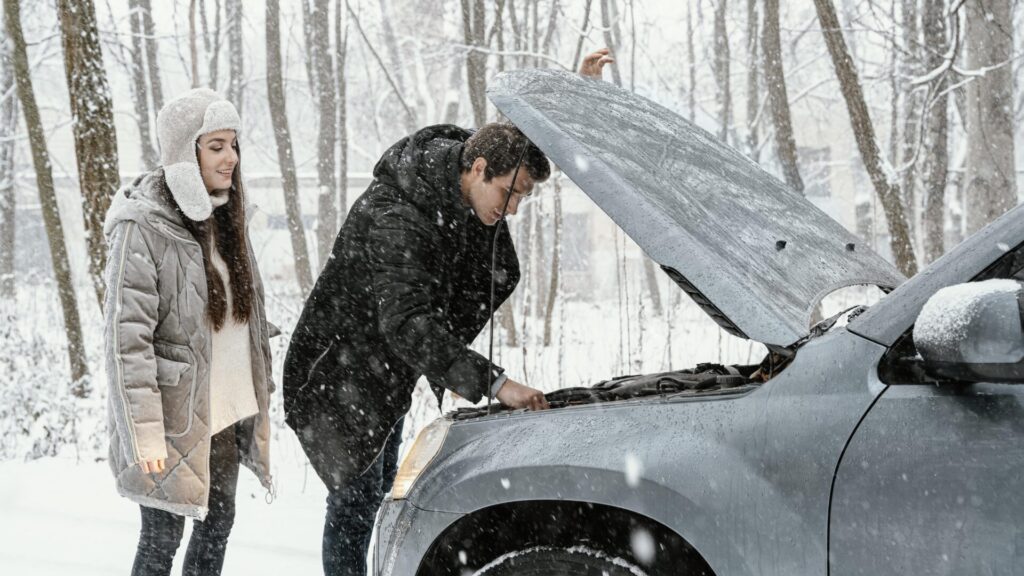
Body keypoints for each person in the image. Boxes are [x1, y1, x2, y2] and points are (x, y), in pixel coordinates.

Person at [103, 88, 275, 576]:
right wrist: (146, 437)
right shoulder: (144, 226)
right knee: (161, 541)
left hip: (224, 415)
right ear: (185, 151)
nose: (231, 158)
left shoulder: (229, 217)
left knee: (217, 527)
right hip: (171, 420)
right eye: (215, 145)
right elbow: (126, 342)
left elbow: (227, 313)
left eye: (234, 144)